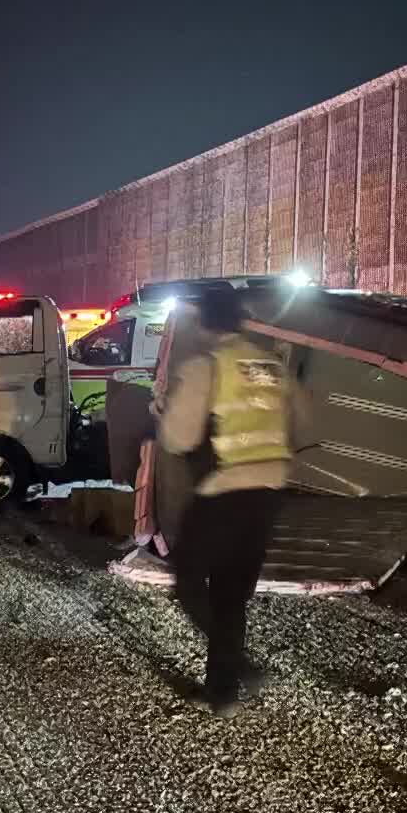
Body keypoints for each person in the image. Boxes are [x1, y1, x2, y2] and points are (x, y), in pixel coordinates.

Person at [154, 287, 307, 717]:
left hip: (222, 490)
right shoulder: (270, 365)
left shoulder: (206, 367)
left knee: (188, 583)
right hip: (270, 491)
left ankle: (240, 671)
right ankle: (222, 694)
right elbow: (308, 416)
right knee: (231, 594)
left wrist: (168, 413)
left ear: (204, 322)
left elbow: (177, 437)